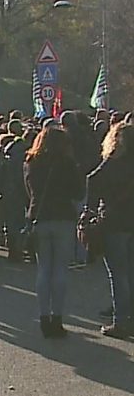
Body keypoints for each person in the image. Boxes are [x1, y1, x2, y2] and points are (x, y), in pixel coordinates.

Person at [23, 127, 83, 338]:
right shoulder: (67, 164)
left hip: (40, 216)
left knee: (43, 269)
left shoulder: (32, 162)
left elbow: (29, 191)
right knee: (60, 270)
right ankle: (57, 318)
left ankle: (43, 316)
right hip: (63, 217)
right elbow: (79, 191)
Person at [87, 123, 134, 338]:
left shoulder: (113, 161)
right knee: (130, 272)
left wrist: (92, 207)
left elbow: (92, 179)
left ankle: (122, 321)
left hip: (115, 221)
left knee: (118, 273)